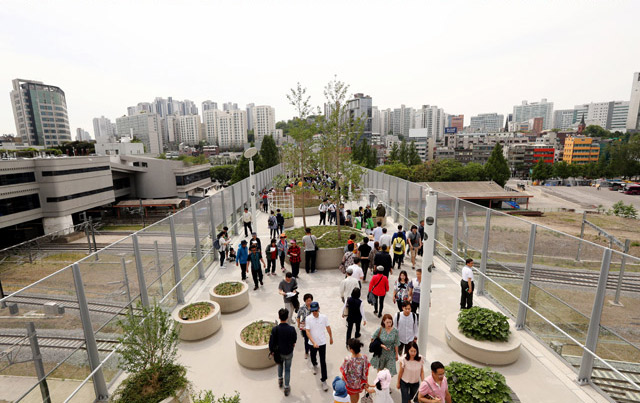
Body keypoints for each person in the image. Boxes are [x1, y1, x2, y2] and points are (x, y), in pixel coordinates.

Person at [268, 308, 297, 396]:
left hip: (279, 353)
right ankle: (286, 387)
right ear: (287, 317)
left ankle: (280, 380)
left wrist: (272, 351)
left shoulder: (275, 329)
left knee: (280, 365)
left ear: (279, 317)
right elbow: (294, 341)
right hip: (288, 353)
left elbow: (271, 342)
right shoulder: (291, 329)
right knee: (287, 369)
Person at [305, 301, 333, 391]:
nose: (314, 312)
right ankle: (314, 365)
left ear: (319, 309)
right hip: (312, 343)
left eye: (316, 310)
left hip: (322, 343)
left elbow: (328, 327)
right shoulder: (308, 318)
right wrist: (313, 342)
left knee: (323, 361)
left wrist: (331, 337)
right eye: (313, 311)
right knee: (313, 357)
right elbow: (307, 331)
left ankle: (324, 380)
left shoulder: (324, 317)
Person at [340, 338, 370, 403]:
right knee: (356, 395)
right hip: (359, 383)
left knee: (352, 398)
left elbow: (344, 373)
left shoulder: (348, 360)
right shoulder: (364, 358)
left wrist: (342, 382)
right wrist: (365, 381)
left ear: (351, 350)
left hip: (350, 384)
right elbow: (365, 371)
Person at [296, 293, 313, 359]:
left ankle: (312, 351)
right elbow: (298, 316)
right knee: (306, 340)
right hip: (305, 327)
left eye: (310, 300)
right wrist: (298, 324)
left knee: (313, 338)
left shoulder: (314, 306)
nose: (309, 302)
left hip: (312, 326)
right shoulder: (302, 308)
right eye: (307, 301)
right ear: (305, 301)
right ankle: (306, 352)